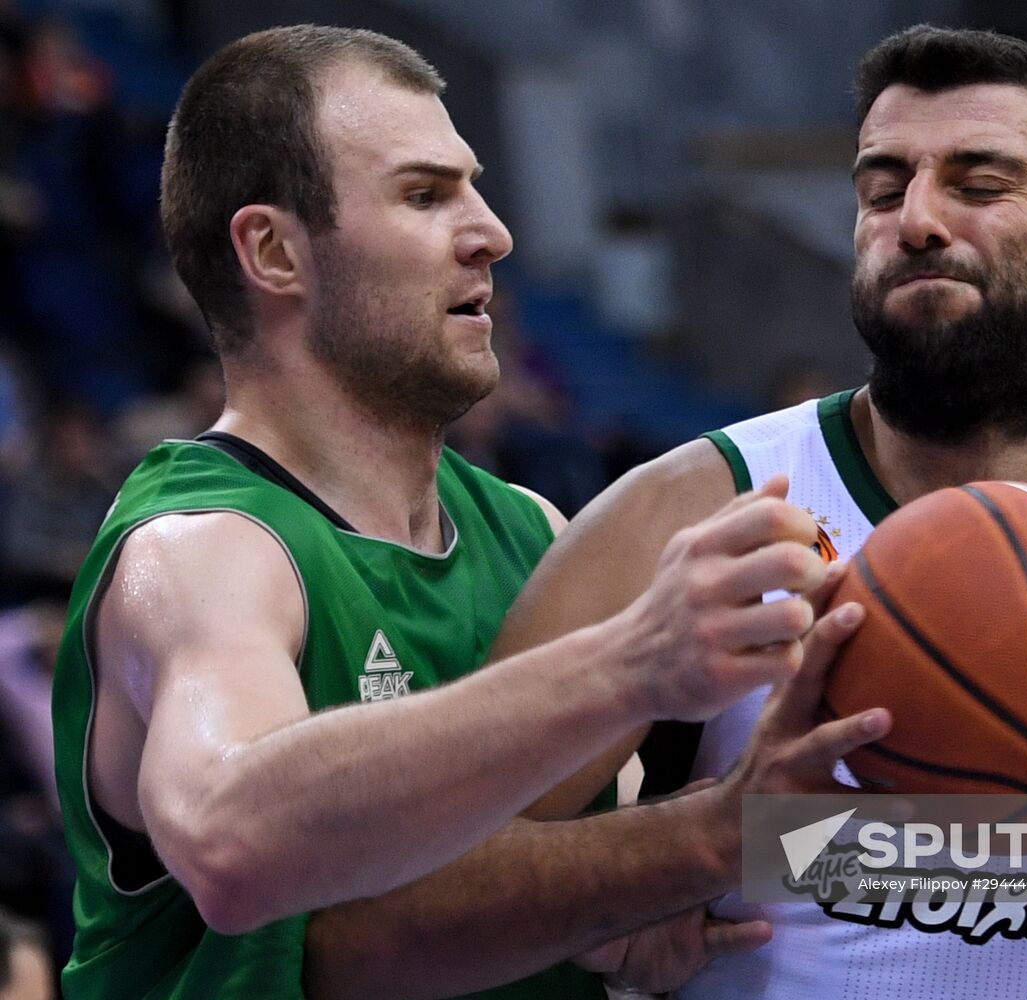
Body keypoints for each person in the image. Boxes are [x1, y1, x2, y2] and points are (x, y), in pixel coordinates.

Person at [494, 24, 1027, 1000]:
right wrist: (667, 861)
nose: (914, 219)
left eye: (979, 184)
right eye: (883, 188)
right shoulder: (691, 510)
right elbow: (421, 899)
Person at [49, 25, 891, 1000]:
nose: (493, 231)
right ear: (274, 251)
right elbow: (235, 843)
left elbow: (539, 888)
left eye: (473, 186)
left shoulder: (529, 528)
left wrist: (619, 926)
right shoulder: (203, 550)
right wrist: (631, 661)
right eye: (424, 194)